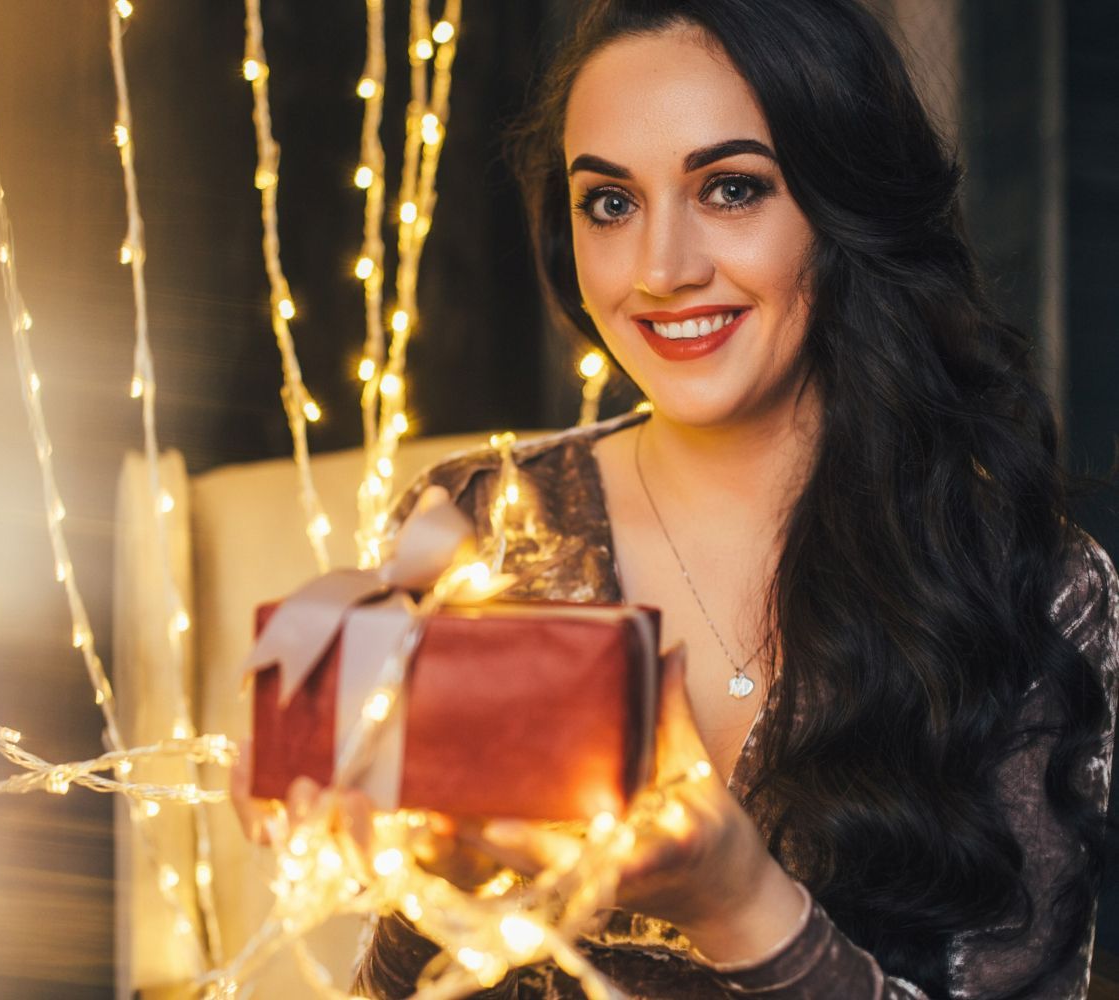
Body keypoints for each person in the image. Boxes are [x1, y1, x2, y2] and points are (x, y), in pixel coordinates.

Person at [242, 0, 1119, 996]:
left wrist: (736, 901)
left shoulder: (1026, 582)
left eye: (731, 188)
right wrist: (428, 885)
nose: (662, 271)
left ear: (842, 205)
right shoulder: (485, 527)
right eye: (609, 204)